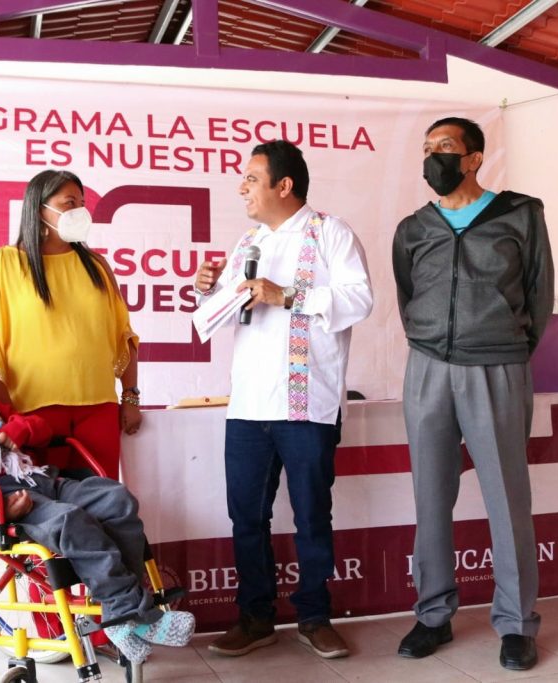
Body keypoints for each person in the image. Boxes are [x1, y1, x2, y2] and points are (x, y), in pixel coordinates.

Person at [0, 328, 195, 664]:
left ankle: (122, 613)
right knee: (69, 520)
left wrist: (18, 429)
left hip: (35, 477)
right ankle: (131, 614)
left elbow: (37, 426)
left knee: (116, 498)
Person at [194, 140, 373, 659]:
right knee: (247, 517)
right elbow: (230, 308)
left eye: (251, 178)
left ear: (284, 185)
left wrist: (287, 294)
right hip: (249, 404)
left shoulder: (331, 233)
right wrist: (208, 289)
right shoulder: (247, 242)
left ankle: (315, 616)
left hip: (307, 403)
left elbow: (359, 299)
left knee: (312, 514)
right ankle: (255, 618)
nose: (242, 188)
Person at [392, 117, 554, 671]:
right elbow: (408, 295)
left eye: (444, 146)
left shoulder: (520, 214)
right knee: (430, 495)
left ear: (474, 157)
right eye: (427, 148)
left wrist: (507, 345)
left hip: (497, 365)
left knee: (508, 498)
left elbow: (539, 291)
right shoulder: (413, 228)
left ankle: (516, 623)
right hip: (428, 368)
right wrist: (429, 339)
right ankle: (433, 614)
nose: (432, 157)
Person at [0, 170, 140, 480]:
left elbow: (123, 335)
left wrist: (130, 397)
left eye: (82, 203)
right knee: (43, 500)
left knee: (105, 498)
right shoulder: (2, 264)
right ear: (39, 209)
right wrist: (9, 418)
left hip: (99, 409)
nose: (80, 211)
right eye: (69, 203)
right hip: (32, 414)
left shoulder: (97, 266)